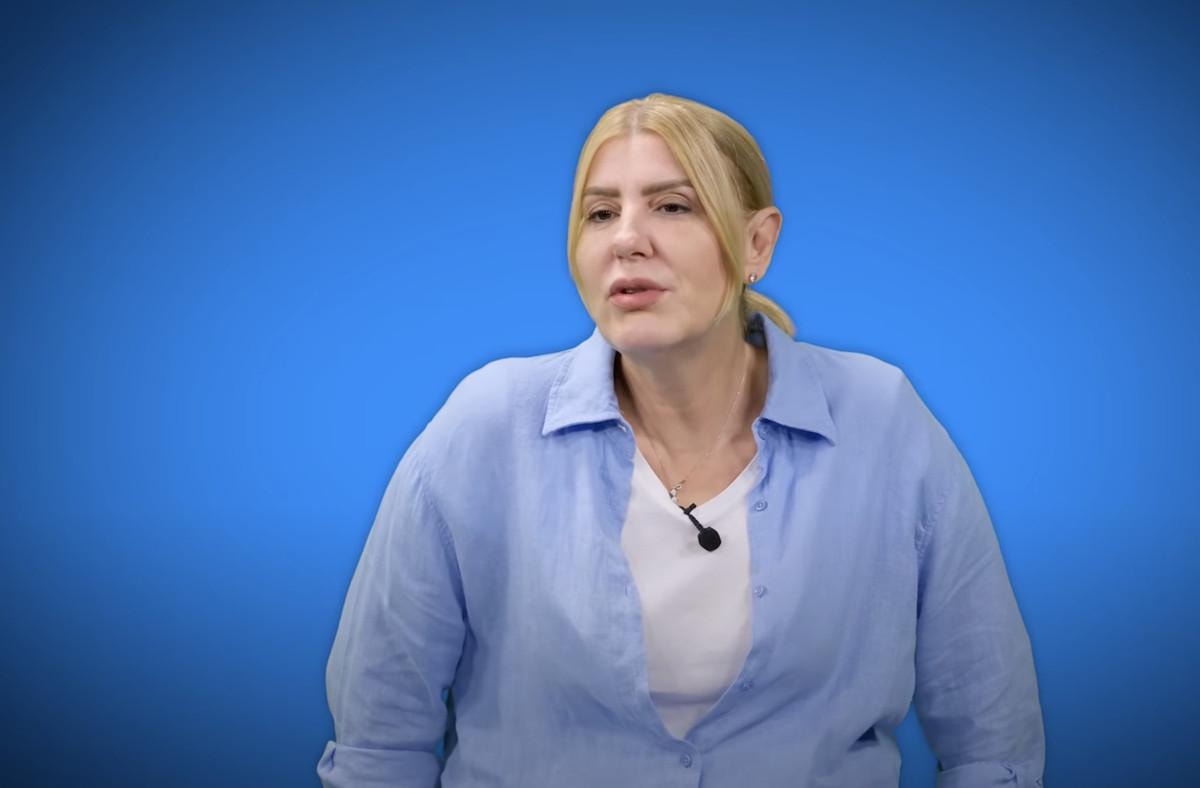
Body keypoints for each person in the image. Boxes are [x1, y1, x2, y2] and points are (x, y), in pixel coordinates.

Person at [317, 93, 1045, 787]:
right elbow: (378, 744)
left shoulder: (882, 421)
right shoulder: (484, 428)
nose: (627, 239)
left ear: (757, 242)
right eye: (601, 213)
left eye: (673, 205)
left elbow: (993, 742)